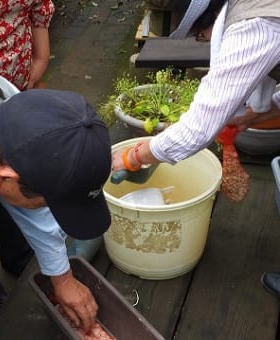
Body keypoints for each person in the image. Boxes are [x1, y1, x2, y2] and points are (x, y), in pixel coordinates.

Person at [0, 0, 103, 303]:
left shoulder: (8, 100)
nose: (45, 208)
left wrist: (63, 279)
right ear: (1, 180)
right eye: (44, 201)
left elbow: (38, 211)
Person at [112, 0, 280, 291]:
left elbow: (197, 130)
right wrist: (259, 113)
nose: (203, 41)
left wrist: (133, 158)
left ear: (211, 19)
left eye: (201, 36)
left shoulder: (253, 24)